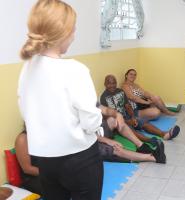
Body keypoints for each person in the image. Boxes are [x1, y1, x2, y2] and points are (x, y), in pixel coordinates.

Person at [18, 1, 103, 199]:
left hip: (45, 161)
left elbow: (25, 111)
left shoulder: (27, 68)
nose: (74, 35)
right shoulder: (75, 69)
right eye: (73, 29)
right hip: (80, 159)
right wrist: (97, 125)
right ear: (63, 33)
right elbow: (90, 120)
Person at [101, 75, 180, 140]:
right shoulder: (103, 97)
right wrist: (127, 122)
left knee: (142, 122)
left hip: (127, 116)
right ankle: (150, 140)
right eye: (109, 83)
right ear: (105, 84)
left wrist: (132, 117)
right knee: (129, 130)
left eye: (114, 83)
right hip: (116, 121)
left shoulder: (120, 91)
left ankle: (164, 134)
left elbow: (127, 106)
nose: (112, 85)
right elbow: (109, 118)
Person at [97, 105, 166, 163]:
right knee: (115, 148)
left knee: (113, 119)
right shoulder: (85, 110)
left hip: (98, 132)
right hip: (91, 144)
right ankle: (153, 158)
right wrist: (108, 141)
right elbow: (88, 137)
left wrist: (117, 114)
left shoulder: (90, 100)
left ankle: (141, 146)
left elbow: (105, 110)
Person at [15, 131, 42, 195]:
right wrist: (51, 174)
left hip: (49, 173)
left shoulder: (46, 136)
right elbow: (28, 169)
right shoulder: (23, 138)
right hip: (33, 178)